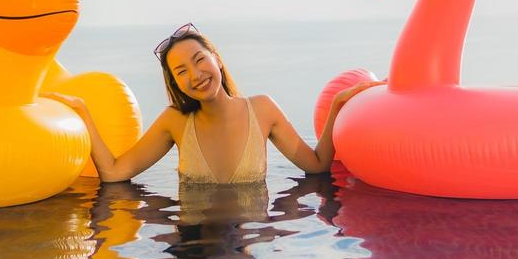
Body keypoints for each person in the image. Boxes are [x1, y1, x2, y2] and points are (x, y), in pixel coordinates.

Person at [45, 23, 383, 184]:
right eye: (181, 71)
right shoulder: (175, 121)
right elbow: (115, 174)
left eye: (199, 60)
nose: (195, 75)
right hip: (191, 241)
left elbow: (318, 165)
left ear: (216, 59)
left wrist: (339, 104)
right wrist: (83, 113)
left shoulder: (262, 110)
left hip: (248, 240)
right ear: (175, 82)